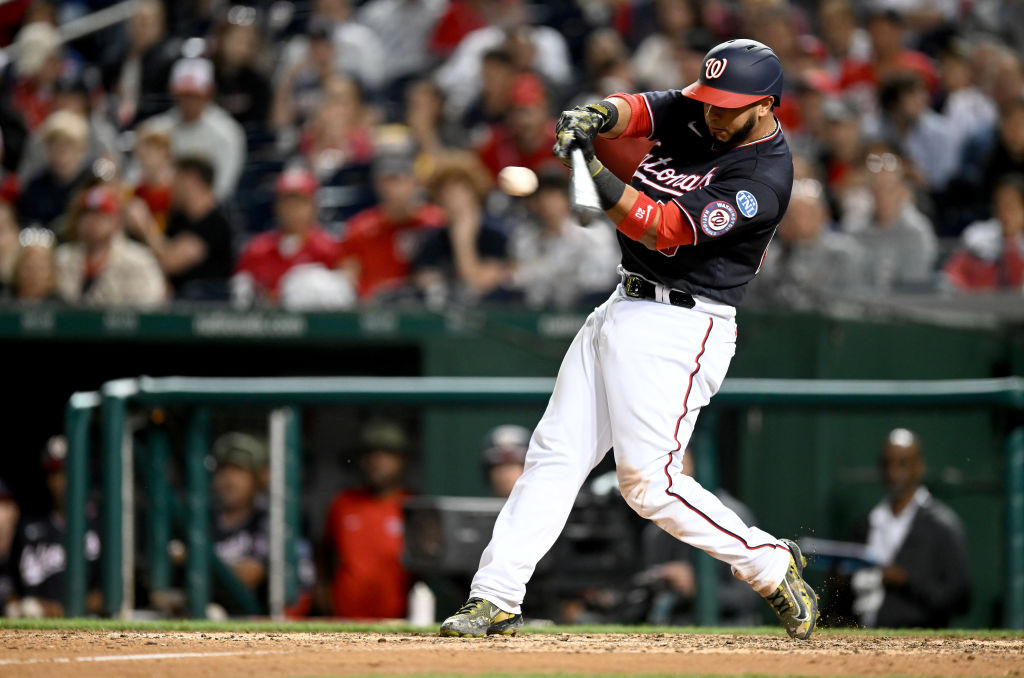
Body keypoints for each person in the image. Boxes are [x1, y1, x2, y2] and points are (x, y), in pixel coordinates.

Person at [439, 39, 818, 640]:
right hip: (623, 302)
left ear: (768, 105)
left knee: (649, 484)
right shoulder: (702, 108)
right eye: (710, 100)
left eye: (729, 106)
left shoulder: (762, 176)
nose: (713, 113)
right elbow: (644, 108)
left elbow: (662, 226)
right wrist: (595, 116)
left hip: (682, 323)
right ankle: (495, 596)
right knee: (555, 457)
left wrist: (591, 169)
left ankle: (769, 562)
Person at [849, 429, 970, 628]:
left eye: (902, 464)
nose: (893, 473)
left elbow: (960, 599)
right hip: (864, 638)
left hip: (919, 641)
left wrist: (904, 580)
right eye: (887, 464)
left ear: (919, 467)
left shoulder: (942, 525)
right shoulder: (867, 523)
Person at [639, 449, 761, 626]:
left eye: (676, 462)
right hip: (671, 629)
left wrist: (699, 587)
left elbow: (748, 598)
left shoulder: (731, 515)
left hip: (729, 628)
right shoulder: (657, 529)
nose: (667, 471)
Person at [322, 419, 412, 619]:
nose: (378, 462)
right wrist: (321, 589)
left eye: (387, 454)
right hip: (343, 618)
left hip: (399, 619)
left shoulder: (412, 505)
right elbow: (323, 551)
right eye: (371, 454)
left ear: (402, 460)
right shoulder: (343, 502)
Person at [8, 436, 102, 618]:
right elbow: (13, 589)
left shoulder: (101, 526)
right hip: (35, 632)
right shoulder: (29, 530)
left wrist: (58, 611)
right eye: (54, 473)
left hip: (89, 629)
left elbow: (107, 595)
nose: (60, 482)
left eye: (67, 472)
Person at [337, 147, 445, 300]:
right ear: (377, 185)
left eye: (399, 180)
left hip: (423, 311)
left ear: (414, 183)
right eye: (386, 181)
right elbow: (347, 276)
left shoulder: (436, 222)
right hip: (373, 310)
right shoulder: (361, 228)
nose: (393, 189)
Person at [125, 155, 234, 300]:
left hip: (204, 309)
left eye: (176, 178)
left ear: (191, 180)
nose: (171, 187)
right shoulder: (178, 219)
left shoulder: (216, 223)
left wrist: (145, 227)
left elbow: (170, 262)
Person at [509, 170, 620, 310]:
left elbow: (602, 280)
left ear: (568, 198)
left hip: (586, 312)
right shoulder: (524, 237)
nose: (547, 203)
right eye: (542, 196)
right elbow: (515, 279)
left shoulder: (593, 234)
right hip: (537, 314)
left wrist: (550, 274)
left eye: (554, 195)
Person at [748, 178, 864, 308]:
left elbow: (853, 301)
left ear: (823, 216)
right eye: (794, 215)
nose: (800, 222)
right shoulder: (770, 258)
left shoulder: (843, 254)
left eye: (807, 214)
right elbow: (755, 304)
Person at [233, 168, 339, 304]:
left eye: (300, 202)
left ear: (313, 206)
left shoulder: (329, 249)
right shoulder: (257, 249)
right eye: (286, 202)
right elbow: (241, 294)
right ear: (276, 206)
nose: (292, 209)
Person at [55, 184, 167, 307]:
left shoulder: (139, 260)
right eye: (86, 214)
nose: (92, 221)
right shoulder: (62, 258)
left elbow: (150, 308)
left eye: (100, 215)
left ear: (116, 220)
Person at [150, 58, 245, 201]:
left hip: (206, 212)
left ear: (209, 92)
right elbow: (135, 179)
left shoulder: (227, 132)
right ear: (173, 92)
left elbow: (222, 189)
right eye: (184, 94)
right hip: (161, 206)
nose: (189, 101)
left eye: (195, 94)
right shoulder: (156, 129)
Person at [210, 432, 270, 610]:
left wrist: (193, 559)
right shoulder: (201, 523)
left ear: (257, 478)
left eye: (239, 471)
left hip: (254, 627)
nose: (229, 480)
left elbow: (249, 575)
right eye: (223, 470)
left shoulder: (267, 522)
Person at [943, 174, 1024, 291]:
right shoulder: (976, 236)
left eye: (1011, 205)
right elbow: (953, 275)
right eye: (1000, 204)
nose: (1005, 212)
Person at [17, 110, 92, 230]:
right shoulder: (35, 187)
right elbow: (27, 224)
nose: (61, 153)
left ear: (81, 150)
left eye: (68, 146)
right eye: (54, 145)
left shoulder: (92, 184)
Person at [481, 425, 530, 500]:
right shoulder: (476, 508)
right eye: (499, 467)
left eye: (513, 465)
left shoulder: (547, 508)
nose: (506, 476)